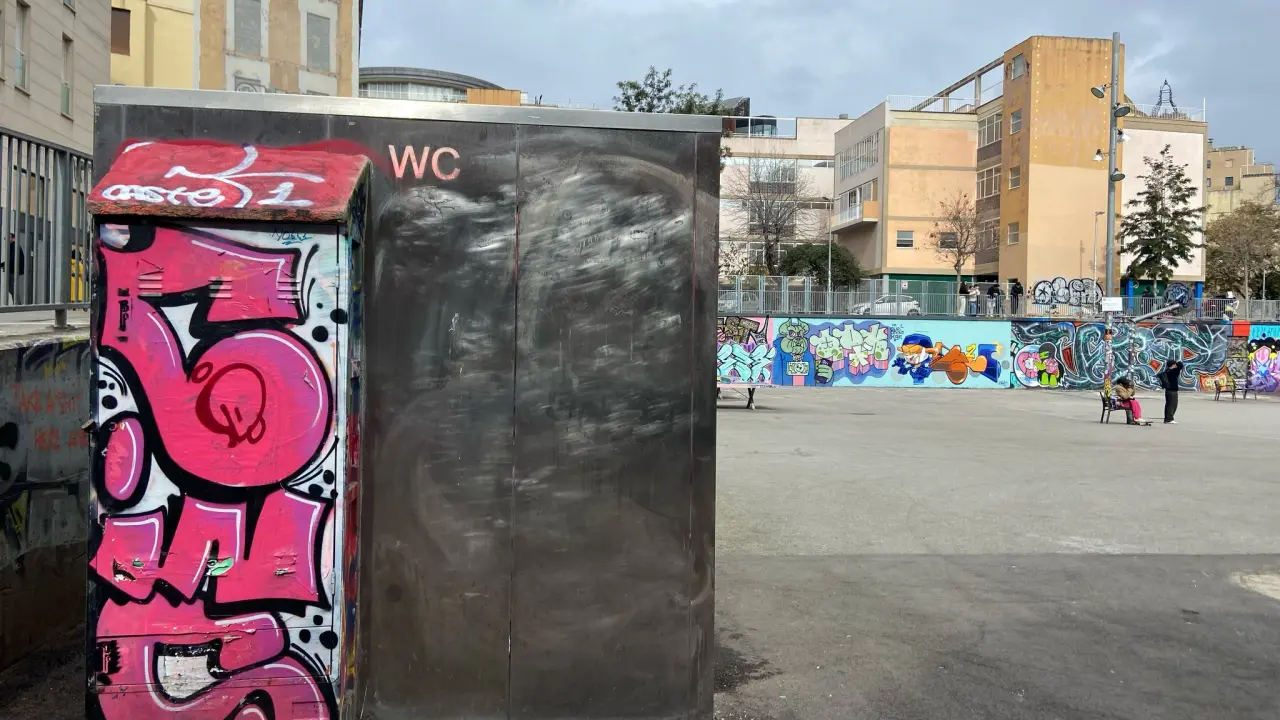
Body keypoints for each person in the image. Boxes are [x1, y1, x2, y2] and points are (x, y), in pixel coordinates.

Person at [1160, 359, 1184, 424]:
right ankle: (1169, 419)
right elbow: (1181, 365)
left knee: (1169, 404)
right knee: (1172, 405)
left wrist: (1175, 363)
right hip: (1172, 391)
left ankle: (1168, 418)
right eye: (1175, 364)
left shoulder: (1167, 371)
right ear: (1173, 365)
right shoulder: (1173, 371)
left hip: (1168, 390)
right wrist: (1178, 362)